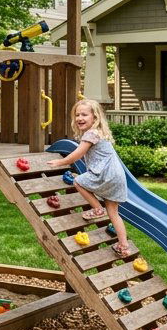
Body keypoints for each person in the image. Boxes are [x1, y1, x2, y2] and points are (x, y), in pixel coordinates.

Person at [47, 99, 134, 258]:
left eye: (84, 115)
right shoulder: (101, 133)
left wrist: (61, 161)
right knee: (113, 212)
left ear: (95, 118)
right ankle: (124, 245)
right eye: (77, 115)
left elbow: (78, 154)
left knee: (78, 181)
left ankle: (97, 208)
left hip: (105, 174)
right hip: (117, 176)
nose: (79, 118)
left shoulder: (91, 133)